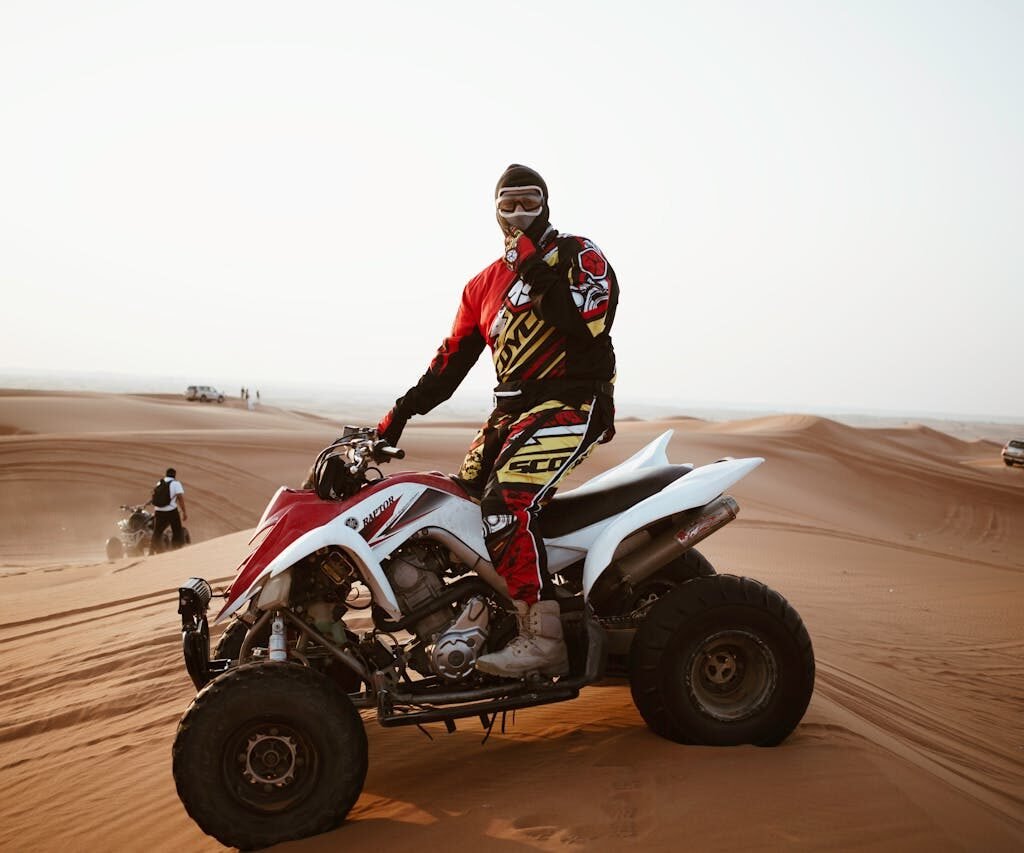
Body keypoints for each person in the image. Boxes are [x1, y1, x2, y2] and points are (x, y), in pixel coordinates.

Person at [377, 163, 618, 678]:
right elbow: (448, 365)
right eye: (508, 205)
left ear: (547, 203)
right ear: (493, 210)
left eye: (529, 202)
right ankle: (479, 612)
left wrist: (533, 266)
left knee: (504, 504)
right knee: (453, 506)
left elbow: (587, 326)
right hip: (509, 410)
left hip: (573, 401)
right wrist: (398, 414)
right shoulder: (481, 286)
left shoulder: (580, 254)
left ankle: (542, 637)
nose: (519, 214)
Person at [150, 467, 188, 554]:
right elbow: (180, 498)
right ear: (174, 475)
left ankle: (151, 551)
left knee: (157, 531)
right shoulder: (176, 483)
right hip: (171, 510)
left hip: (158, 510)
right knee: (177, 529)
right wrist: (184, 512)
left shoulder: (159, 482)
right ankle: (176, 548)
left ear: (166, 474)